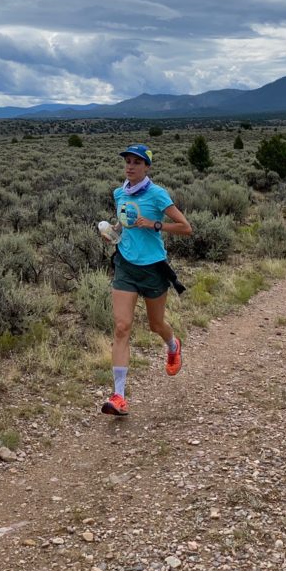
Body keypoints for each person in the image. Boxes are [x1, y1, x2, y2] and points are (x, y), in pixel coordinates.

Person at [100, 143, 192, 416]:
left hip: (153, 269)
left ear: (147, 167)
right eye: (127, 161)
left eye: (136, 162)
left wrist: (154, 224)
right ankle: (118, 396)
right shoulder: (119, 193)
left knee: (155, 324)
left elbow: (186, 228)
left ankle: (173, 345)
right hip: (126, 266)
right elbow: (124, 224)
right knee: (121, 327)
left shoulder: (157, 195)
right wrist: (113, 232)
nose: (130, 166)